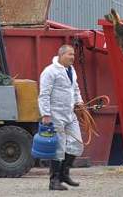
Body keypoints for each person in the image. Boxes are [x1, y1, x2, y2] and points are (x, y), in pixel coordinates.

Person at [38, 44, 84, 191]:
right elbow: (44, 94)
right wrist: (45, 114)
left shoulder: (71, 70)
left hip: (70, 113)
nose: (72, 57)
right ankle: (54, 181)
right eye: (70, 54)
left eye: (74, 55)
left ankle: (64, 174)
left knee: (77, 143)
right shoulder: (50, 71)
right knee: (59, 147)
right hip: (55, 114)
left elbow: (75, 88)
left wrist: (80, 102)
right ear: (61, 55)